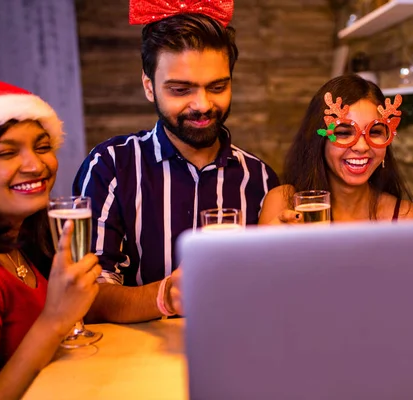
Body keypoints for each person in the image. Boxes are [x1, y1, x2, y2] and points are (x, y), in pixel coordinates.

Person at [73, 0, 279, 323]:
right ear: (148, 87)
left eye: (218, 87)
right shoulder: (111, 167)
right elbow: (86, 295)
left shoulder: (261, 179)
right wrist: (165, 296)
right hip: (134, 364)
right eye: (181, 89)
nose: (202, 104)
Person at [0, 78, 101, 399]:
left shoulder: (22, 243)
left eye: (42, 146)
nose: (35, 165)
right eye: (6, 152)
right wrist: (55, 319)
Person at [259, 74, 413, 224]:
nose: (362, 146)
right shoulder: (283, 203)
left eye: (375, 132)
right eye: (344, 133)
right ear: (319, 141)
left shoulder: (406, 218)